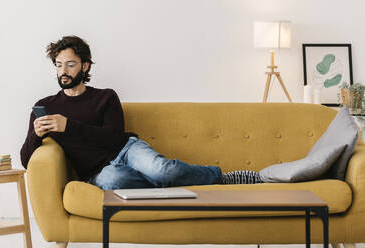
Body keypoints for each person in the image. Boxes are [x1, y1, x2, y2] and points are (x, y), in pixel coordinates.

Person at [20, 35, 262, 190]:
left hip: (126, 150)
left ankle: (223, 177)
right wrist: (35, 135)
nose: (63, 71)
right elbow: (25, 161)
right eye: (59, 65)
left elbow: (113, 137)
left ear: (84, 66)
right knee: (116, 182)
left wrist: (69, 126)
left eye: (70, 64)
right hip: (98, 172)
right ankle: (172, 185)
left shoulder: (105, 96)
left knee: (162, 170)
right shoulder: (46, 105)